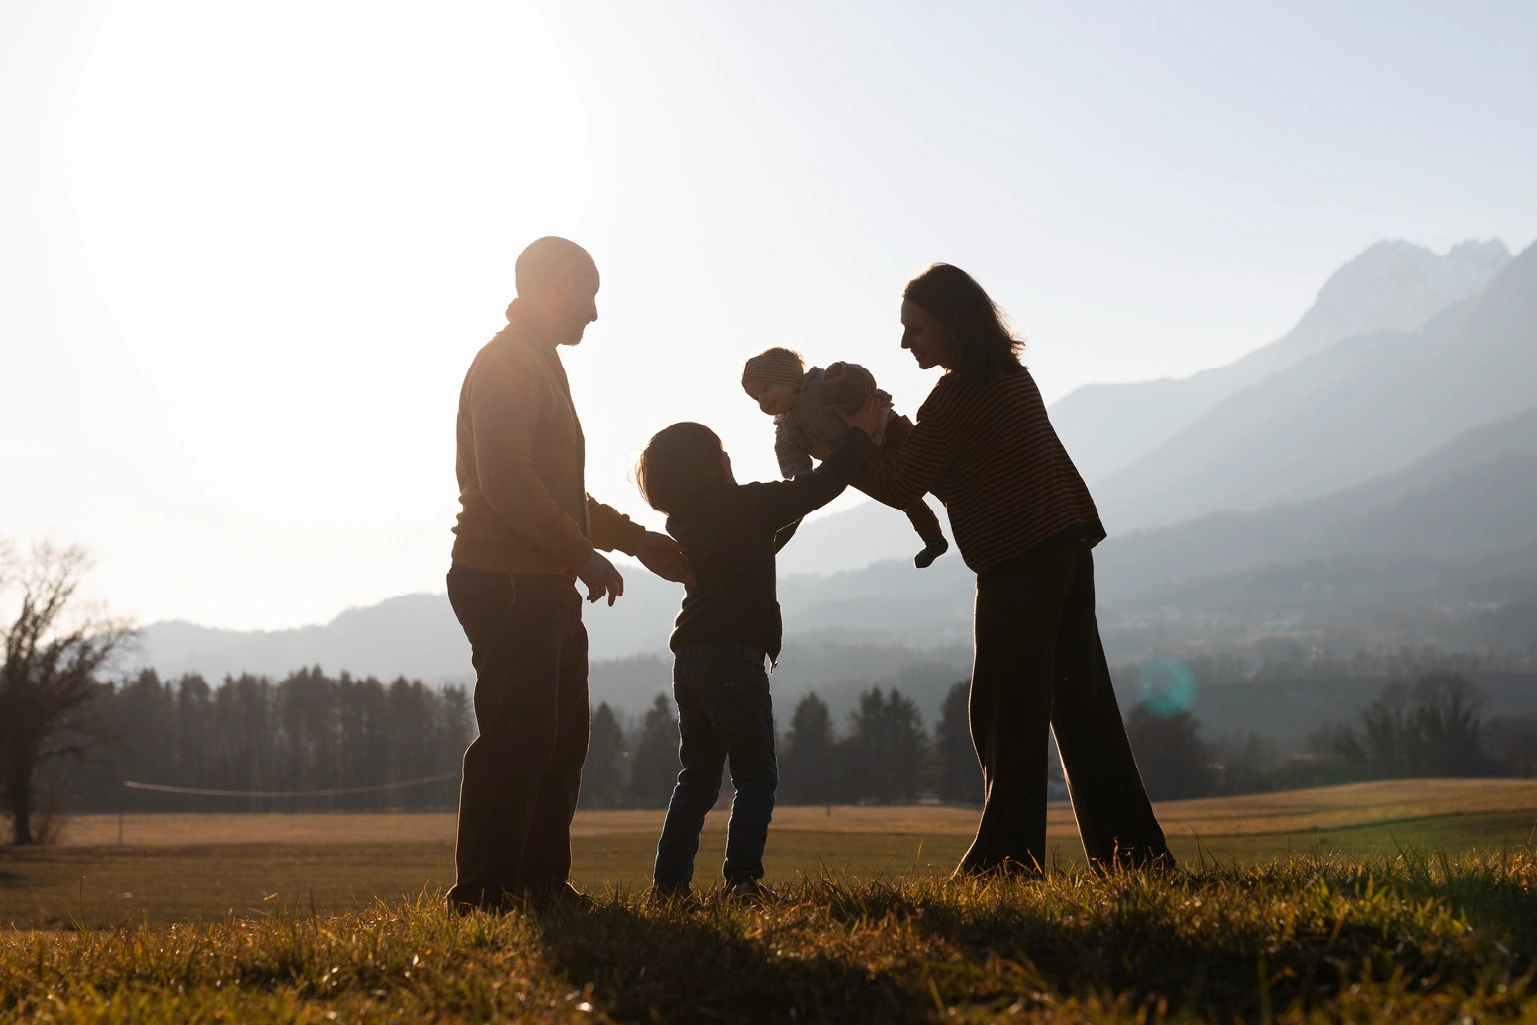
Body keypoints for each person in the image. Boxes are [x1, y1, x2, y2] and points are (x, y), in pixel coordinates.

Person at [848, 263, 1171, 876]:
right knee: (1082, 708)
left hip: (1020, 564)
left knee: (1004, 712)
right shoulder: (1007, 378)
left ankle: (1007, 862)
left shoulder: (955, 397)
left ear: (952, 324)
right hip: (1065, 547)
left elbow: (903, 485)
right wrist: (893, 436)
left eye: (916, 329)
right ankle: (1134, 857)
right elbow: (955, 471)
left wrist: (851, 446)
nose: (905, 343)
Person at [446, 236, 693, 911]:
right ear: (560, 282)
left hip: (540, 578)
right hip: (509, 579)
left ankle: (540, 885)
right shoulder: (508, 362)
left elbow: (557, 493)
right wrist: (580, 552)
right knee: (518, 737)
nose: (593, 312)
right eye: (589, 293)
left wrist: (633, 539)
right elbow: (505, 479)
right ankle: (483, 893)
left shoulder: (536, 362)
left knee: (557, 742)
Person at [635, 398, 886, 900]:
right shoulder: (743, 506)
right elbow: (818, 489)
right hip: (734, 658)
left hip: (690, 660)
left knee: (697, 778)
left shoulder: (689, 522)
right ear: (711, 468)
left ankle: (669, 886)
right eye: (721, 453)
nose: (730, 458)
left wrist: (794, 493)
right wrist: (859, 435)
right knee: (756, 776)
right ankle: (742, 882)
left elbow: (765, 536)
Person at [741, 346, 949, 568]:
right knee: (904, 499)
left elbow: (865, 385)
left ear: (788, 377)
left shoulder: (819, 385)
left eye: (765, 389)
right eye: (756, 398)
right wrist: (804, 483)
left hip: (889, 427)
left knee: (934, 472)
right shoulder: (786, 431)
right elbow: (793, 465)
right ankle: (934, 540)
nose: (763, 401)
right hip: (861, 460)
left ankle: (957, 502)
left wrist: (842, 375)